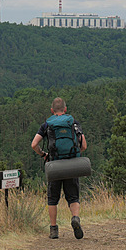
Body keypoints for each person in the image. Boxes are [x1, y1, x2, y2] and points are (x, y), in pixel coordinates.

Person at [31, 97, 87, 239]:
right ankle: (75, 218)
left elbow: (34, 144)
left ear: (52, 110)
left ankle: (54, 229)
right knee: (73, 196)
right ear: (65, 109)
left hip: (54, 164)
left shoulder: (47, 125)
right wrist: (74, 154)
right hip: (71, 164)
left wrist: (43, 154)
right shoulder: (73, 122)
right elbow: (84, 145)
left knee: (52, 198)